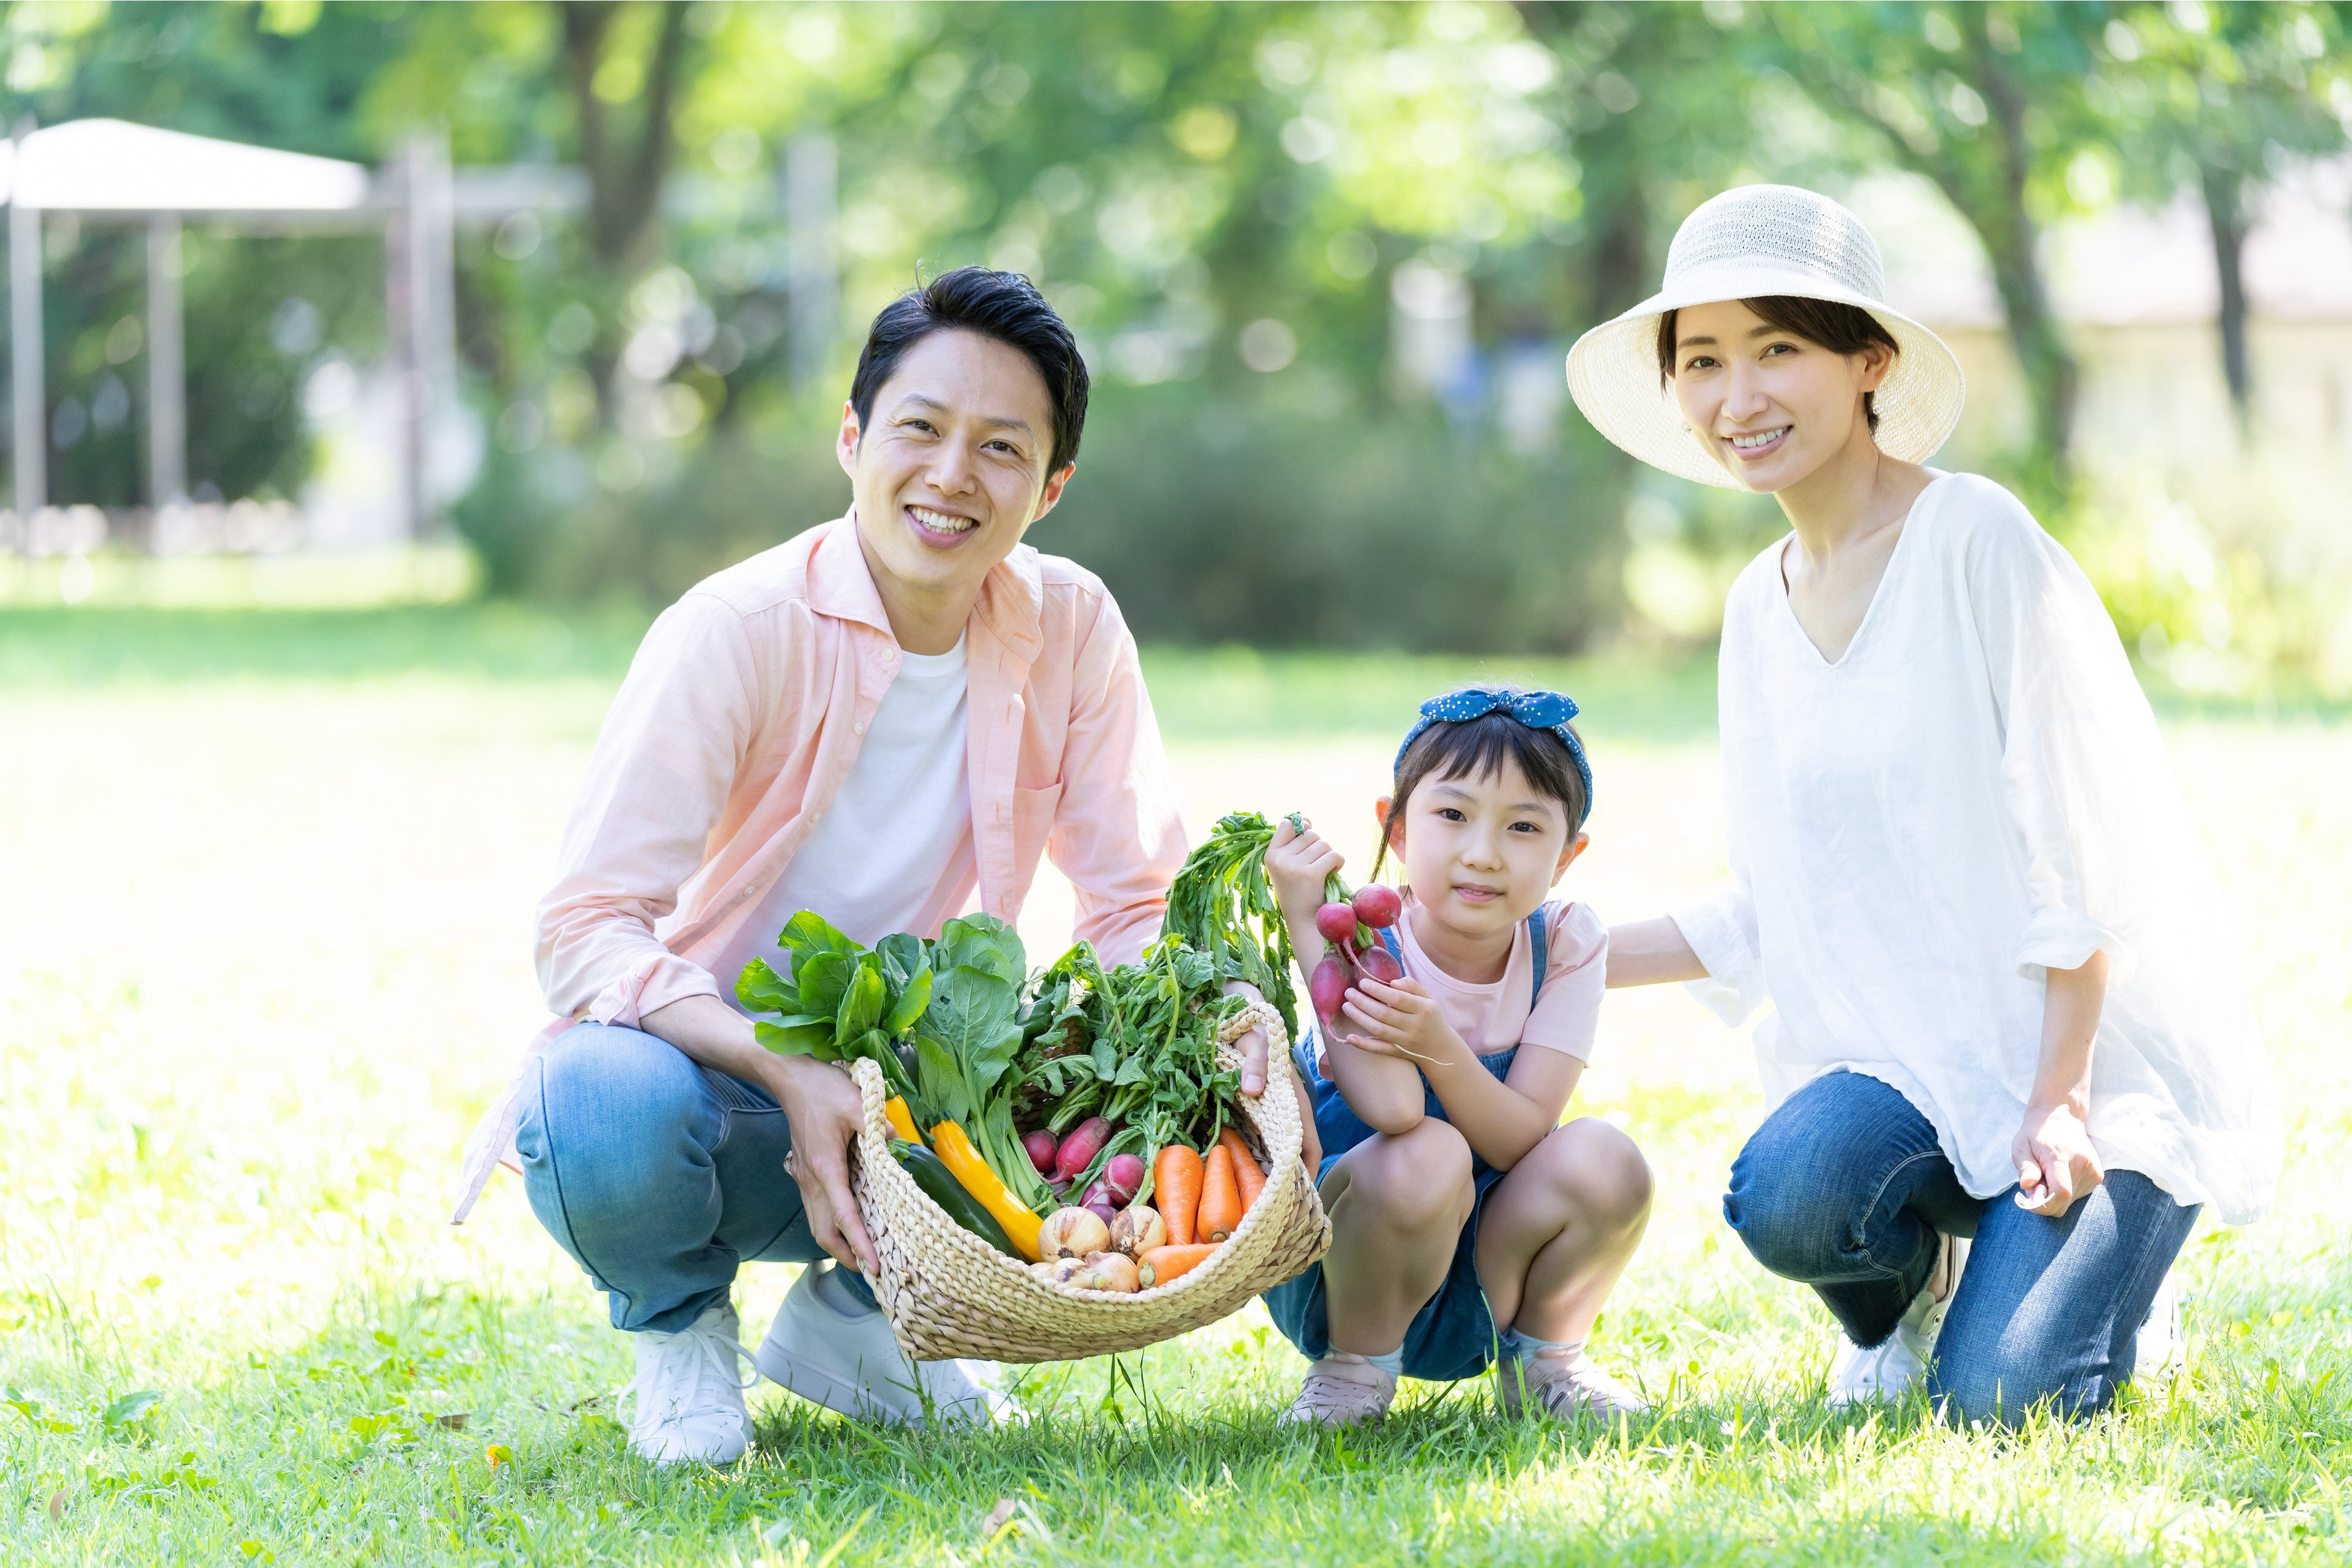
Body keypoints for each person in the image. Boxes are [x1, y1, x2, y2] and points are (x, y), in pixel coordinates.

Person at [448, 267, 1301, 1465]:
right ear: (853, 438)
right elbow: (585, 925)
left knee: (1165, 1058)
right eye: (921, 428)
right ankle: (681, 1332)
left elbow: (1132, 901)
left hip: (937, 1118)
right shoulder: (735, 630)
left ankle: (864, 1319)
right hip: (722, 1101)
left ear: (1051, 488)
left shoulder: (1071, 626)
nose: (953, 475)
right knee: (593, 1099)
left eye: (1002, 448)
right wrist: (777, 1065)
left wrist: (1216, 1018)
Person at [1570, 185, 2278, 1426]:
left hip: (2085, 1086)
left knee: (1999, 1405)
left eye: (1779, 349)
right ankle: (1913, 1291)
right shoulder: (1756, 604)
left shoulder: (1973, 538)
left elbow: (2083, 855)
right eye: (1705, 361)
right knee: (1786, 1191)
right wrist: (1524, 952)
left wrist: (2059, 1100)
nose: (1740, 397)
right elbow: (1770, 901)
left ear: (1869, 363)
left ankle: (2116, 1276)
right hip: (1919, 1078)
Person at [1257, 687, 1653, 1429]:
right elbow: (1394, 1110)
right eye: (1453, 814)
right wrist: (1307, 921)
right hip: (1351, 1263)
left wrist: (1438, 1044)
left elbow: (1521, 1135)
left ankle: (1546, 1363)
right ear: (1397, 829)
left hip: (1481, 1277)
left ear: (1568, 856)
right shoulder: (1370, 935)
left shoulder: (1565, 942)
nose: (1483, 852)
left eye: (1524, 826)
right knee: (1426, 1150)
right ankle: (1351, 1371)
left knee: (1609, 1159)